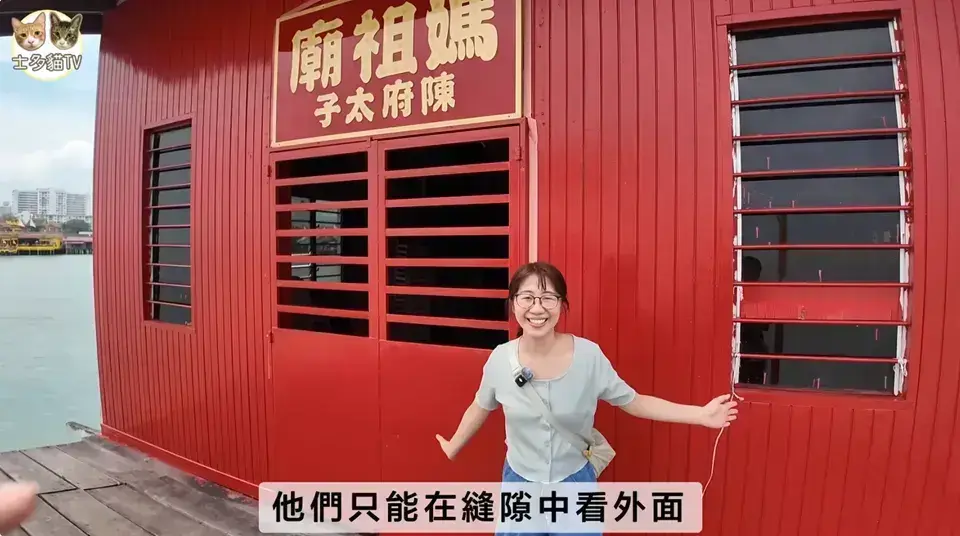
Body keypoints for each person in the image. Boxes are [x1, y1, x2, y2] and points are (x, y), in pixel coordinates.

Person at [435, 261, 738, 535]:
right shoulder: (500, 360)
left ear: (561, 304)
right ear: (513, 304)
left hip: (574, 482)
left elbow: (633, 401)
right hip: (520, 483)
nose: (537, 308)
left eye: (548, 298)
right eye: (527, 297)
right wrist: (454, 445)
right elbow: (481, 405)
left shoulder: (588, 357)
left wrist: (700, 415)